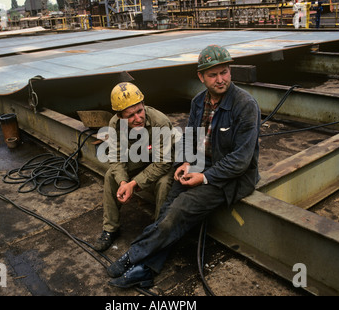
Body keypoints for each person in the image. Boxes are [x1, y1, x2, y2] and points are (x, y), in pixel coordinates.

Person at [106, 45, 261, 288]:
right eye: (213, 74)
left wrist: (204, 177)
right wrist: (185, 162)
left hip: (228, 177)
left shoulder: (245, 105)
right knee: (168, 209)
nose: (220, 79)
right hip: (199, 165)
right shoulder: (199, 101)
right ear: (201, 77)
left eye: (225, 72)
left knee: (178, 211)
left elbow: (241, 161)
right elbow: (190, 139)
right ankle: (145, 270)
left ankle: (134, 257)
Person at [93, 82, 175, 251]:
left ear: (144, 105)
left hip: (164, 163)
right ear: (120, 117)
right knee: (111, 175)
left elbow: (163, 163)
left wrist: (134, 183)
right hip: (142, 158)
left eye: (140, 111)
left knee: (164, 182)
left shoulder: (160, 122)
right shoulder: (115, 124)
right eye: (130, 116)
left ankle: (158, 233)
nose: (138, 118)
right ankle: (110, 228)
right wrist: (124, 182)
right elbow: (116, 157)